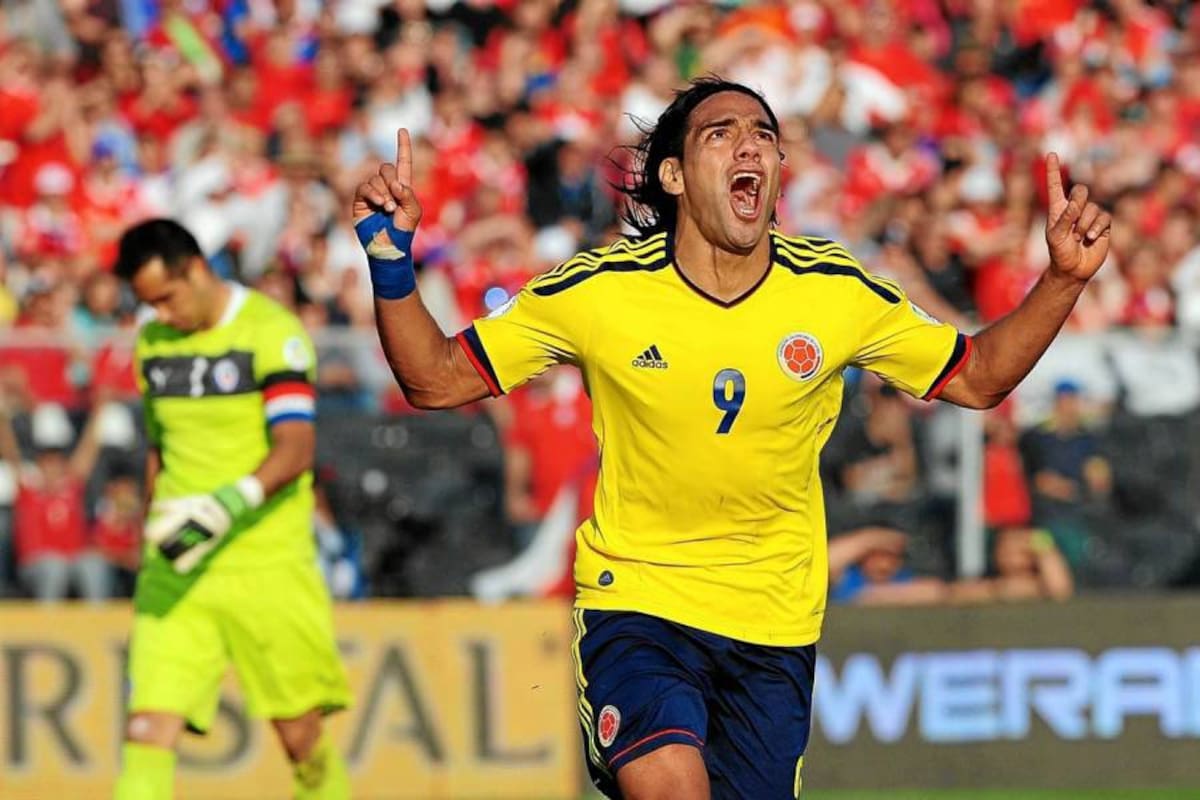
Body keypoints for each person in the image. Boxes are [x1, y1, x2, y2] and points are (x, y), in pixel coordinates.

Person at [352, 77, 1112, 799]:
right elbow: (437, 379)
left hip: (774, 622)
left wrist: (1062, 281)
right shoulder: (596, 291)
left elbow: (976, 379)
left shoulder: (836, 291)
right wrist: (391, 266)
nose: (751, 147)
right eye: (723, 134)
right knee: (670, 784)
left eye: (765, 136)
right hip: (640, 600)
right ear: (677, 176)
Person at [111, 219, 351, 800]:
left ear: (196, 268)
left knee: (300, 739)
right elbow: (160, 447)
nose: (160, 315)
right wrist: (152, 523)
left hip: (263, 562)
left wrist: (222, 507)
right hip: (179, 568)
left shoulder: (271, 332)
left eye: (166, 298)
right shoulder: (153, 343)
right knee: (147, 729)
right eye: (147, 305)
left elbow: (295, 449)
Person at [0, 398, 109, 602]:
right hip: (36, 563)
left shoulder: (71, 489)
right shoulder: (29, 490)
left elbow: (88, 451)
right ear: (40, 466)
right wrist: (3, 420)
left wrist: (100, 410)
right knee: (54, 567)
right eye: (47, 463)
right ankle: (48, 622)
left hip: (73, 560)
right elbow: (10, 452)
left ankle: (98, 619)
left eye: (57, 463)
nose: (53, 468)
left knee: (94, 563)